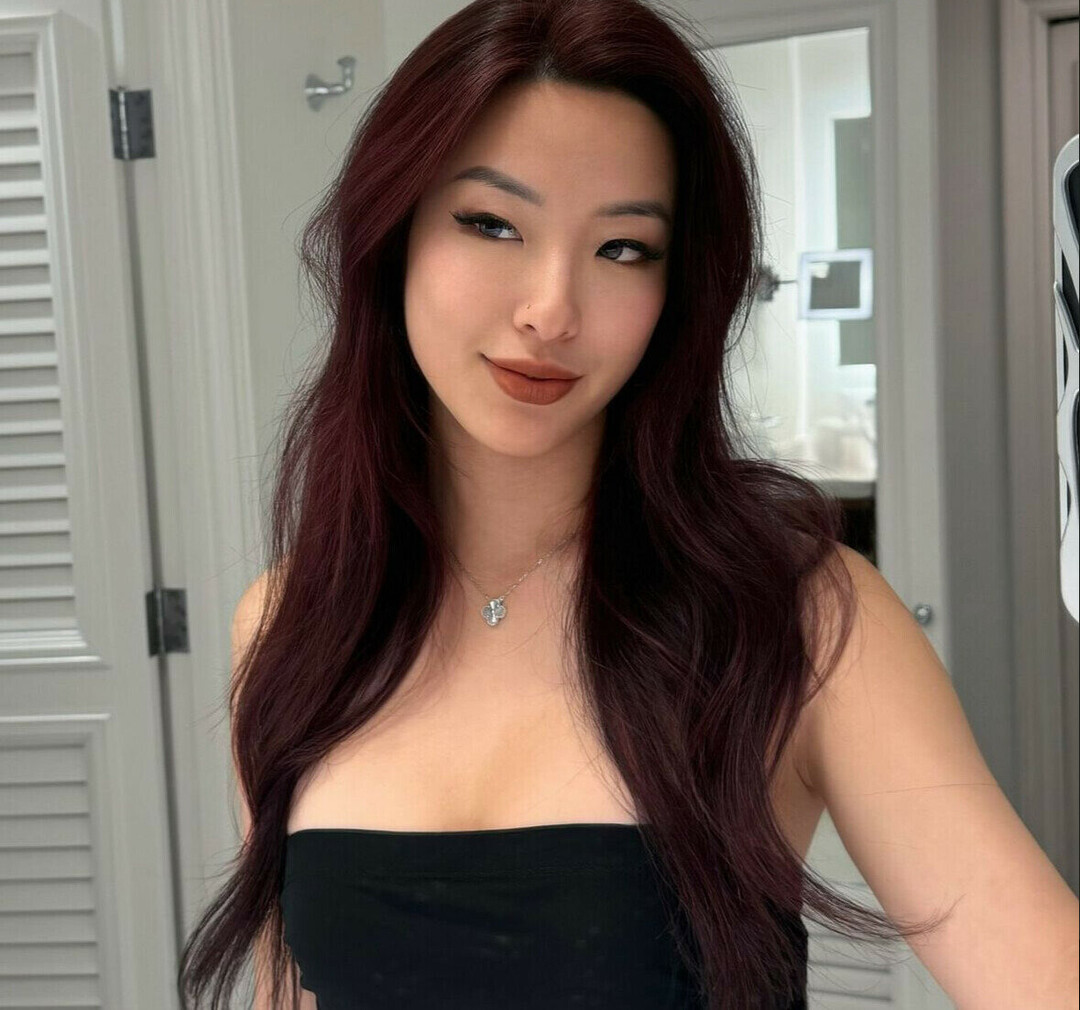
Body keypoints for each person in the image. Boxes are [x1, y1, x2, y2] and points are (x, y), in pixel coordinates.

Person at [179, 1, 1080, 1008]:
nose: (551, 309)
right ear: (393, 236)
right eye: (491, 223)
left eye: (622, 249)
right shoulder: (289, 623)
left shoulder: (800, 615)